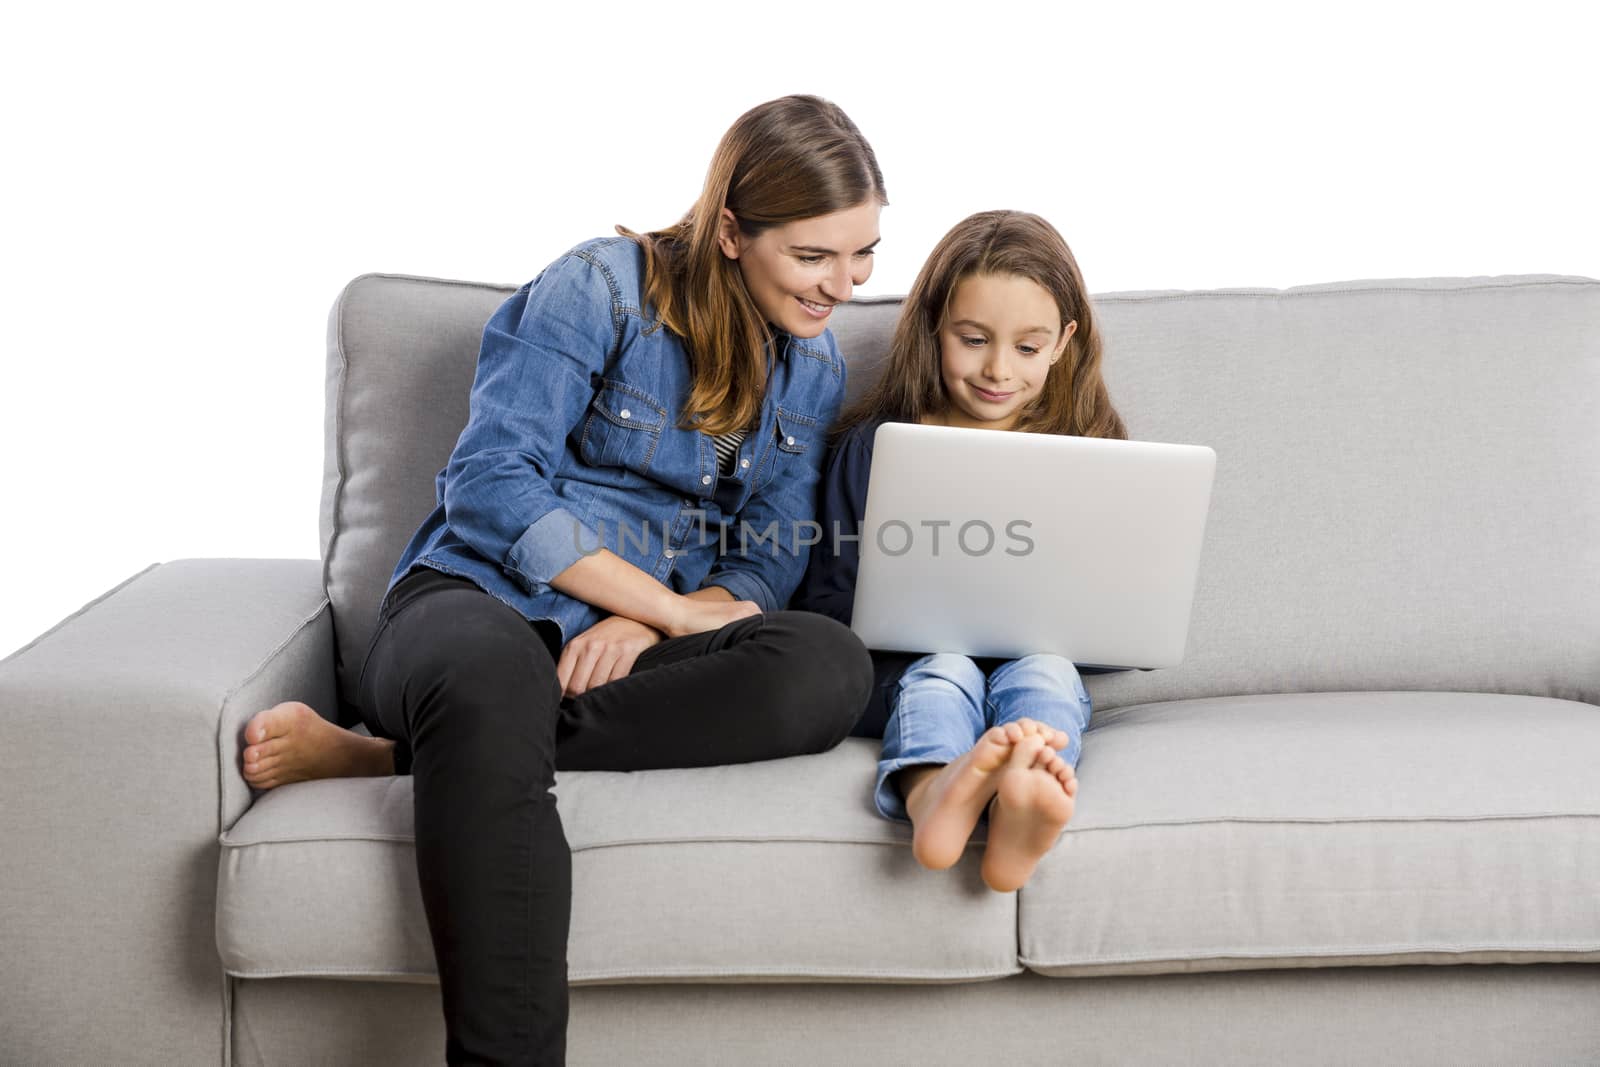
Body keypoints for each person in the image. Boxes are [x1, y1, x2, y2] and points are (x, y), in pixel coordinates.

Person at [239, 94, 883, 1065]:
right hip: (480, 598)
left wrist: (663, 629)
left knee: (828, 665)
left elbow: (766, 556)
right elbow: (490, 483)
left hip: (636, 648)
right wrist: (656, 603)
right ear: (730, 232)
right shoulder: (600, 283)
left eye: (864, 251)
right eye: (813, 255)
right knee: (487, 682)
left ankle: (407, 754)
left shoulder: (815, 365)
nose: (844, 283)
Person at [792, 210, 1128, 894]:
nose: (998, 370)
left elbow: (1118, 618)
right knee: (943, 667)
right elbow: (825, 595)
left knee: (1048, 674)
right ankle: (932, 796)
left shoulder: (1089, 450)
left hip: (1035, 662)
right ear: (933, 328)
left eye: (1028, 349)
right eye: (973, 340)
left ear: (1065, 341)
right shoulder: (875, 447)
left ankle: (1021, 801)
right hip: (899, 669)